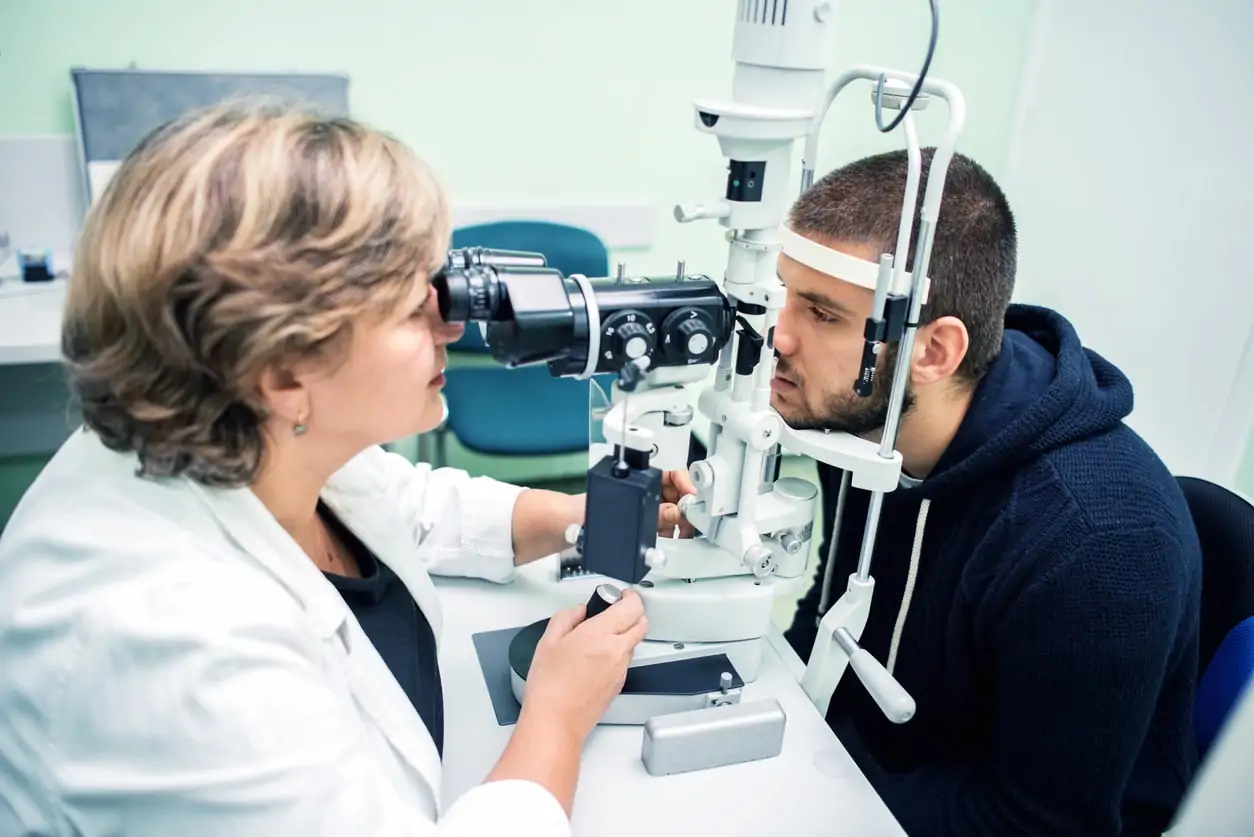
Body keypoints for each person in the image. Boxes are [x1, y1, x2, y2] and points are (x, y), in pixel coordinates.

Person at [0, 102, 687, 837]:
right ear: (282, 367)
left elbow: (403, 500)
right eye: (409, 307)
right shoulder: (178, 659)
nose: (453, 325)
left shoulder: (235, 432)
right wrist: (555, 716)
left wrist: (582, 516)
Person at [771, 149, 1202, 836]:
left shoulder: (1096, 539)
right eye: (785, 292)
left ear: (935, 351)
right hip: (857, 778)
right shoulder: (863, 418)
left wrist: (793, 804)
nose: (779, 334)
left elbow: (1036, 823)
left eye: (822, 314)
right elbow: (827, 625)